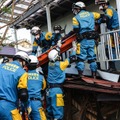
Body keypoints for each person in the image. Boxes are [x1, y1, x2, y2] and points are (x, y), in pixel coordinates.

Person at [46, 40, 77, 120]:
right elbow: (71, 58)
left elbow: (54, 55)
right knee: (58, 113)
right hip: (57, 91)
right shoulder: (61, 65)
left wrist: (58, 47)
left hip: (49, 91)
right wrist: (74, 49)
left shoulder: (49, 64)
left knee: (50, 113)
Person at [72, 1, 101, 78]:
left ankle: (81, 74)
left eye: (76, 8)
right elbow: (101, 16)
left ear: (79, 8)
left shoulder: (76, 18)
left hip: (83, 40)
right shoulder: (92, 14)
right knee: (92, 58)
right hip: (92, 40)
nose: (76, 10)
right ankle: (94, 74)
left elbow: (76, 30)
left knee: (81, 58)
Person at [0, 51, 30, 120]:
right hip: (8, 107)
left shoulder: (1, 66)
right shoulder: (22, 72)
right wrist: (26, 107)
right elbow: (23, 95)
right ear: (22, 61)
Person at [95, 0, 120, 72]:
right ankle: (112, 67)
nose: (100, 6)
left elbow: (106, 18)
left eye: (100, 4)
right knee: (109, 49)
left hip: (115, 31)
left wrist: (98, 21)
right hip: (113, 32)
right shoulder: (109, 9)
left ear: (104, 4)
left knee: (109, 49)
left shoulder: (109, 10)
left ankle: (113, 68)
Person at [26, 55, 47, 120]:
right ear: (37, 65)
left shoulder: (23, 75)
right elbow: (44, 88)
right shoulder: (41, 77)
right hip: (36, 103)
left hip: (25, 102)